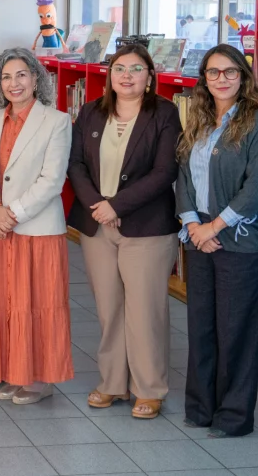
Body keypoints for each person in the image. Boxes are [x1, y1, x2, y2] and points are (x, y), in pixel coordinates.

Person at [68, 44, 182, 420]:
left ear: (150, 77)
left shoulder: (165, 113)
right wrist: (99, 206)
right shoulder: (90, 111)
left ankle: (149, 389)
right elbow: (77, 164)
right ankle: (113, 383)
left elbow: (165, 172)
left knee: (145, 311)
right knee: (109, 309)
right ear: (109, 75)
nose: (127, 75)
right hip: (97, 225)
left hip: (146, 227)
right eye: (120, 68)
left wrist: (117, 205)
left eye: (137, 69)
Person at [0, 48, 73, 405]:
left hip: (36, 229)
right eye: (7, 77)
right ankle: (13, 371)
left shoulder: (56, 121)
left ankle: (38, 378)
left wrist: (14, 213)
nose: (14, 83)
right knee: (3, 302)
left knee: (37, 303)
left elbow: (52, 179)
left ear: (36, 78)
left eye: (22, 75)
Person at [177, 44, 258, 438]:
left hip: (238, 237)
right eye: (213, 72)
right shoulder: (200, 119)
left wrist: (215, 227)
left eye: (229, 72)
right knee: (201, 324)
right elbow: (184, 175)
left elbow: (255, 186)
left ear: (243, 77)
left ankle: (233, 415)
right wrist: (194, 225)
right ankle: (201, 406)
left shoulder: (255, 120)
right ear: (204, 79)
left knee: (235, 328)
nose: (221, 79)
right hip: (198, 234)